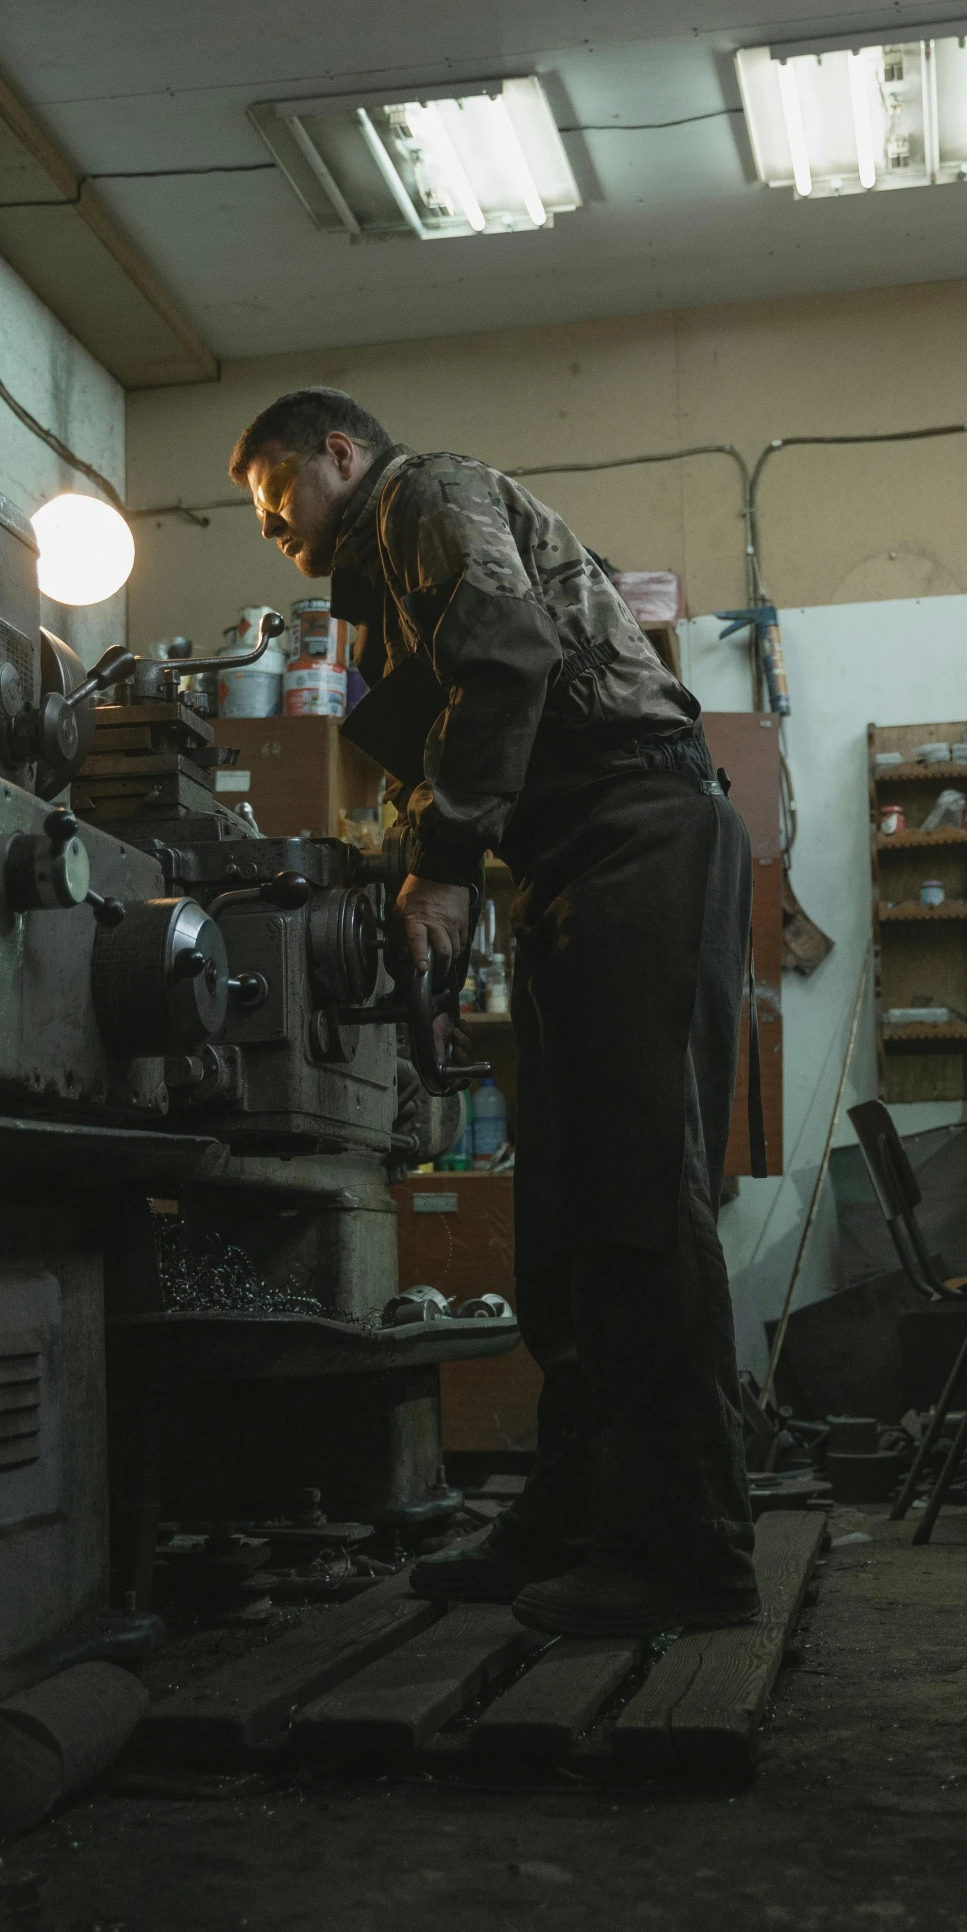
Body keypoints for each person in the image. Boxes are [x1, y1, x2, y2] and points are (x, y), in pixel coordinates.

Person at [231, 387, 758, 1635]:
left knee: (634, 1197)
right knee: (564, 1221)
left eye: (275, 496)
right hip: (571, 861)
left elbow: (512, 658)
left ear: (341, 455)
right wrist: (443, 906)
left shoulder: (426, 492)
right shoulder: (376, 605)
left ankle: (686, 1547)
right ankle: (579, 1513)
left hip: (642, 824)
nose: (269, 527)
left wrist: (450, 865)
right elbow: (462, 754)